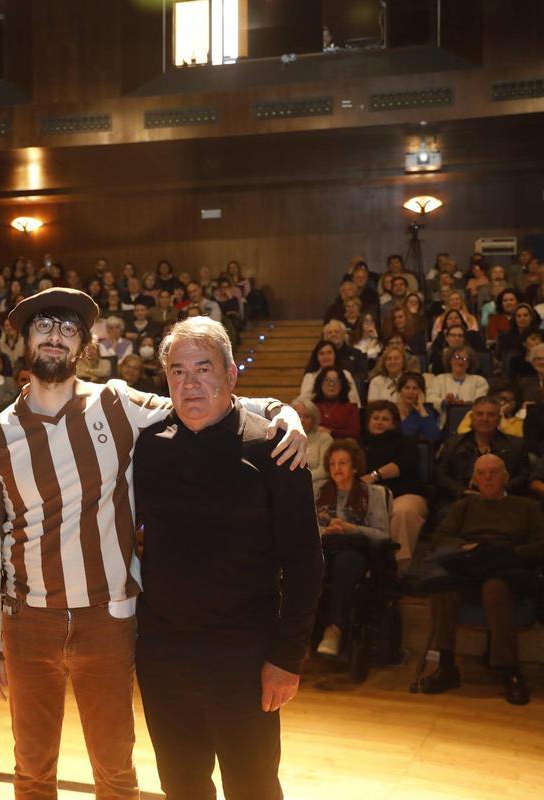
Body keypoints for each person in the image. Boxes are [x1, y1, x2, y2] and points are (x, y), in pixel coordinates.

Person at [0, 288, 305, 800]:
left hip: (109, 620)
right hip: (29, 622)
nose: (55, 338)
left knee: (117, 772)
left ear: (83, 346)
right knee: (31, 770)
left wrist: (285, 411)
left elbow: (205, 396)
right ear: (24, 340)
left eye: (67, 330)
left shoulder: (115, 403)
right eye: (44, 328)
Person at [132, 316, 321, 800]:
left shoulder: (274, 448)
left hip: (245, 656)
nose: (189, 382)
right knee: (181, 786)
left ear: (231, 374)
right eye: (177, 370)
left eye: (203, 368)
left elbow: (304, 562)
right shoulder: (148, 448)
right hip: (163, 655)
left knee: (254, 787)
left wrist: (287, 656)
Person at [418, 454, 544, 705]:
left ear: (506, 477)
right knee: (442, 587)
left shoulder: (527, 507)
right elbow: (441, 537)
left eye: (494, 472)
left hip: (505, 569)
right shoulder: (464, 506)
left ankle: (509, 670)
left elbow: (542, 544)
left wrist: (508, 553)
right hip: (470, 566)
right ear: (474, 479)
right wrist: (468, 548)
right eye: (481, 473)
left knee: (495, 587)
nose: (487, 477)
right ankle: (446, 666)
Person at [313, 438, 389, 658]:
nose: (337, 468)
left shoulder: (372, 494)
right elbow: (302, 527)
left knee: (346, 563)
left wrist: (351, 528)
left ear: (355, 466)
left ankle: (333, 631)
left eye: (343, 463)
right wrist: (324, 531)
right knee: (306, 564)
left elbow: (383, 534)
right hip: (324, 546)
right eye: (333, 463)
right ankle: (299, 632)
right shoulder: (318, 490)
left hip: (356, 550)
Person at [360, 401, 427, 573]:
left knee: (403, 512)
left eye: (385, 419)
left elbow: (404, 464)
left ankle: (398, 572)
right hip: (368, 497)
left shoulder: (406, 442)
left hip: (404, 494)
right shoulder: (358, 444)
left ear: (394, 423)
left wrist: (374, 476)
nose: (379, 422)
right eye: (375, 418)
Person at [435, 396, 529, 516]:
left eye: (491, 415)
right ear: (472, 418)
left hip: (504, 500)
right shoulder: (453, 444)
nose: (485, 419)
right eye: (480, 414)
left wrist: (501, 489)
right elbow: (440, 474)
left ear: (499, 419)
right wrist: (461, 491)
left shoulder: (516, 445)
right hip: (460, 499)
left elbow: (524, 475)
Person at [310, 367, 360, 439]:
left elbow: (354, 433)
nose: (331, 384)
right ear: (320, 383)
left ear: (342, 385)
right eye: (327, 380)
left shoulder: (351, 408)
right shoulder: (311, 406)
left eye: (336, 381)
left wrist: (331, 432)